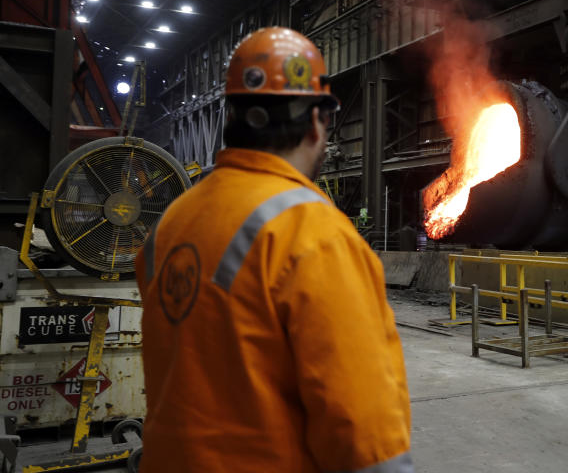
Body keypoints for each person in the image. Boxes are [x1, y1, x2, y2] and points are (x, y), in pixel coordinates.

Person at [135, 27, 413, 473]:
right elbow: (364, 430)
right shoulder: (314, 233)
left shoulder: (171, 223)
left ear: (233, 118)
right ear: (317, 121)